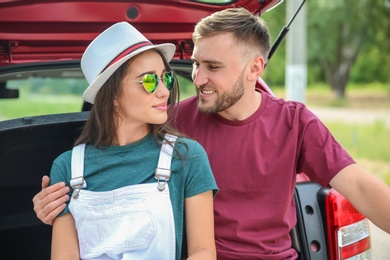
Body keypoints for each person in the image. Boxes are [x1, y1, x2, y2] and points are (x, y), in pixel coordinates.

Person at [33, 8, 390, 259]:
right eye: (196, 65)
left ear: (255, 69)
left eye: (213, 67)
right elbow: (111, 160)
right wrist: (54, 204)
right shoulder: (170, 122)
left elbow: (358, 186)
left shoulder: (294, 123)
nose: (197, 79)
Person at [46, 21, 218, 260]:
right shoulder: (67, 167)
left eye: (165, 78)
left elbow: (204, 252)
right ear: (112, 94)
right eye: (149, 81)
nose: (164, 91)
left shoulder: (188, 156)